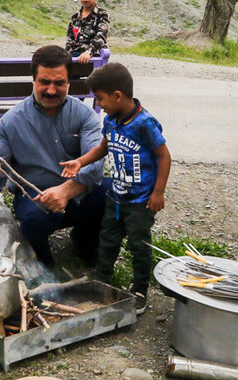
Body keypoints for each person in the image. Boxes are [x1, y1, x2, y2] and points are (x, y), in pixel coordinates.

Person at [0, 45, 109, 266]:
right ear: (33, 81)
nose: (50, 90)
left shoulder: (84, 115)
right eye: (44, 82)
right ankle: (44, 267)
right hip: (36, 198)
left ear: (69, 82)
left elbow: (95, 165)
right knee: (33, 218)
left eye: (59, 83)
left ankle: (86, 242)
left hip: (78, 192)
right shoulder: (11, 121)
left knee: (113, 194)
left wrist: (66, 190)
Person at [59, 63, 170, 314]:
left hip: (140, 201)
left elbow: (164, 156)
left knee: (139, 245)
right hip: (116, 196)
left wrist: (158, 192)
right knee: (107, 239)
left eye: (100, 99)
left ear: (117, 95)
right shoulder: (111, 120)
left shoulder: (144, 123)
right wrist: (80, 161)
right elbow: (102, 148)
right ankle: (101, 279)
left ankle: (140, 287)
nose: (99, 105)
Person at [65, 0, 110, 64]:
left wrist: (88, 52)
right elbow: (70, 40)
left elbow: (100, 36)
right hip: (75, 58)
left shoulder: (102, 15)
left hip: (94, 58)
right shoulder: (75, 17)